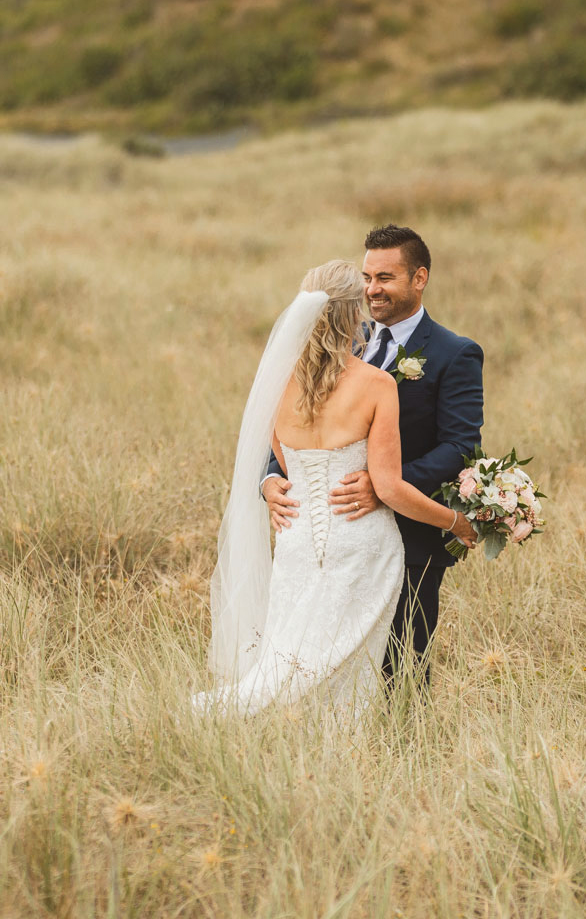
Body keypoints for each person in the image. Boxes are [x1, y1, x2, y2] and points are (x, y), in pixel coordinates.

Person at [201, 259, 477, 716]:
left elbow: (291, 467)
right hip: (361, 542)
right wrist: (455, 520)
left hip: (296, 542)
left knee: (290, 655)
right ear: (354, 315)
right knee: (346, 665)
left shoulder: (278, 384)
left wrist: (282, 484)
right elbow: (387, 487)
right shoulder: (375, 384)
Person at [261, 226, 483, 689]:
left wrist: (382, 484)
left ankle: (400, 755)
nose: (371, 289)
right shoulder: (332, 339)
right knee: (313, 662)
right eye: (366, 277)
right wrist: (269, 480)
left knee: (401, 671)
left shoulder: (454, 353)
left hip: (411, 537)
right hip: (325, 532)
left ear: (419, 278)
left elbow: (460, 447)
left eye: (385, 277)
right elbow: (287, 427)